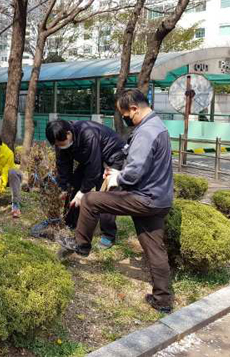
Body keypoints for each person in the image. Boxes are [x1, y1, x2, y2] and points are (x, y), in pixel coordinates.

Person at [57, 89, 174, 313]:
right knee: (154, 247)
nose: (125, 118)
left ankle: (81, 244)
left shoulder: (146, 132)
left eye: (125, 115)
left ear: (134, 109)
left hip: (144, 197)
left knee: (91, 200)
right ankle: (163, 300)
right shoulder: (158, 126)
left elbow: (135, 170)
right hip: (160, 198)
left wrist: (117, 176)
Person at [46, 119, 126, 249]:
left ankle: (108, 234)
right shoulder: (61, 141)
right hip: (91, 159)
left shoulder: (88, 134)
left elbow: (94, 169)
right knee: (73, 185)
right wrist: (63, 187)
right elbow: (63, 165)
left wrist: (83, 191)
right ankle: (72, 222)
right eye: (56, 145)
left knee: (106, 194)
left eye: (61, 143)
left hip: (113, 156)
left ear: (68, 134)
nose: (59, 146)